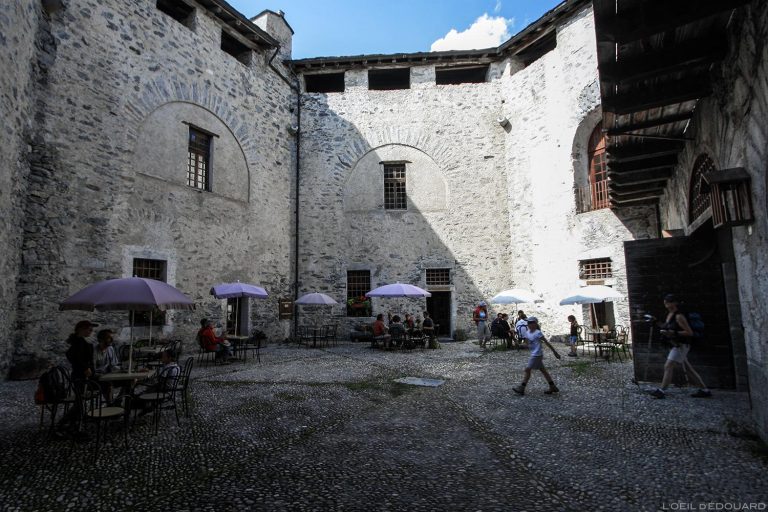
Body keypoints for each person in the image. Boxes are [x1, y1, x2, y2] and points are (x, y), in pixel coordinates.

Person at [649, 294, 712, 399]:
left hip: (681, 345)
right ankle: (705, 390)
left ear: (674, 303)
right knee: (688, 369)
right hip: (675, 344)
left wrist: (673, 333)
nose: (666, 304)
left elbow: (689, 332)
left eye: (668, 302)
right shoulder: (670, 315)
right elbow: (666, 326)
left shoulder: (679, 316)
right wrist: (656, 322)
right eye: (665, 302)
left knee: (668, 366)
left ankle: (661, 391)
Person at [54, 320, 99, 440]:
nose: (91, 331)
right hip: (80, 376)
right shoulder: (78, 342)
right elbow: (74, 357)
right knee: (79, 404)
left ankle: (73, 426)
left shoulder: (81, 341)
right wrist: (85, 368)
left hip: (83, 375)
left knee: (80, 403)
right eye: (89, 329)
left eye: (91, 329)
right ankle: (63, 426)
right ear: (81, 329)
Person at [513, 317, 559, 395]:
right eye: (528, 323)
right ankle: (552, 386)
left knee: (527, 370)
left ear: (535, 324)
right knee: (543, 371)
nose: (529, 324)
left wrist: (555, 352)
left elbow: (546, 342)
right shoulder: (527, 333)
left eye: (531, 323)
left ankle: (522, 387)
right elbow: (527, 344)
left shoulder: (538, 333)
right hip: (534, 354)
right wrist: (519, 345)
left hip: (537, 355)